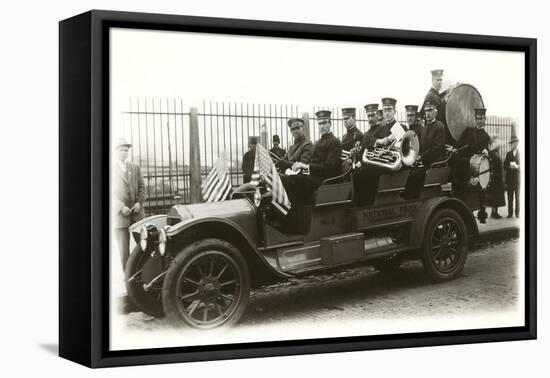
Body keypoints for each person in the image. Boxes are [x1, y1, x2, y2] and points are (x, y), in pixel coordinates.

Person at [281, 110, 342, 206]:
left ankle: (295, 213)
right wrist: (302, 167)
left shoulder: (334, 142)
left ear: (330, 124)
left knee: (292, 180)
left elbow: (329, 167)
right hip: (314, 175)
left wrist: (306, 167)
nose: (322, 126)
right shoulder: (317, 142)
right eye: (319, 124)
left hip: (325, 179)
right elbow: (312, 162)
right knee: (287, 179)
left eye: (324, 123)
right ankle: (294, 211)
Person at [401, 101, 446, 199]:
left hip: (435, 162)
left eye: (430, 110)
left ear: (436, 112)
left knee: (416, 174)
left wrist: (421, 157)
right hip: (425, 161)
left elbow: (437, 148)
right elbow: (421, 146)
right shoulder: (424, 128)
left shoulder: (440, 126)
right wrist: (417, 158)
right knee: (411, 170)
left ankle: (412, 197)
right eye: (426, 111)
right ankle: (408, 195)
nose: (428, 113)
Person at [113, 138, 145, 271]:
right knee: (123, 249)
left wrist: (139, 203)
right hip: (120, 217)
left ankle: (144, 272)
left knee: (143, 244)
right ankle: (128, 276)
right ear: (115, 151)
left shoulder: (135, 167)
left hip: (137, 215)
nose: (124, 153)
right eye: (121, 150)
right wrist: (121, 207)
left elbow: (142, 187)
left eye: (126, 150)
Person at [456, 108, 491, 223]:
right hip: (464, 162)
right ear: (475, 119)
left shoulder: (486, 136)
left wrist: (485, 150)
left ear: (485, 119)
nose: (479, 121)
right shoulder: (469, 131)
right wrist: (456, 149)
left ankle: (482, 211)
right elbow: (460, 144)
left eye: (481, 118)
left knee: (481, 185)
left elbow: (485, 148)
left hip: (474, 165)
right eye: (477, 118)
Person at [485, 136, 505, 218]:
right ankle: (494, 213)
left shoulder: (494, 153)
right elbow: (493, 167)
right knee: (495, 197)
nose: (500, 147)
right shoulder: (493, 154)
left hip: (496, 178)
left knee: (495, 197)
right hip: (496, 179)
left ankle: (494, 212)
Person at [504, 132, 520, 218]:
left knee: (518, 197)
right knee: (510, 197)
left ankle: (517, 213)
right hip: (510, 179)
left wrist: (518, 167)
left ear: (517, 143)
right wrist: (509, 167)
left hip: (517, 179)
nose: (512, 144)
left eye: (514, 143)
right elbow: (504, 165)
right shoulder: (508, 153)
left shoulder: (521, 154)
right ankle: (510, 213)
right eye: (511, 143)